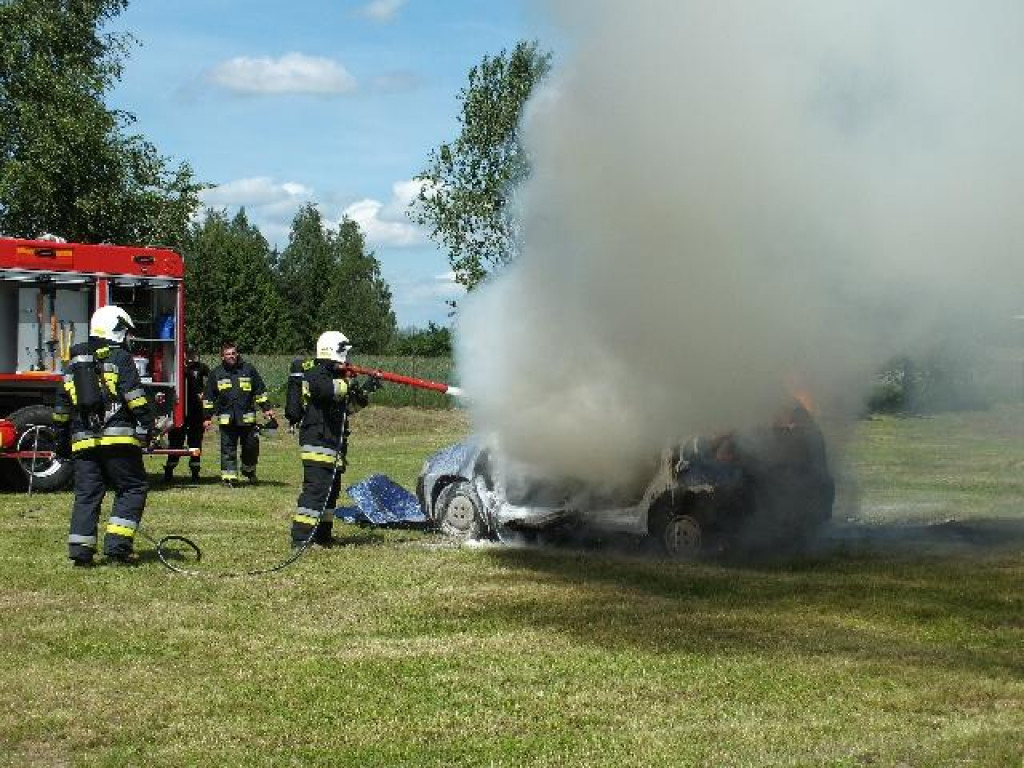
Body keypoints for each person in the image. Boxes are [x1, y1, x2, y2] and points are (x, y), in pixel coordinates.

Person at [54, 305, 155, 567]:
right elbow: (134, 397)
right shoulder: (120, 358)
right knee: (132, 488)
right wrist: (148, 424)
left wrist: (61, 444)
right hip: (118, 439)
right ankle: (117, 549)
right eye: (126, 331)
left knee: (87, 495)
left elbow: (61, 410)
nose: (129, 337)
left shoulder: (73, 364)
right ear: (116, 330)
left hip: (83, 441)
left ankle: (80, 552)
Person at [290, 330, 380, 548]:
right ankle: (301, 538)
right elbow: (324, 390)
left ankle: (323, 536)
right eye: (344, 353)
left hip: (334, 443)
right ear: (332, 350)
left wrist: (365, 390)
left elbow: (347, 409)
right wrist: (348, 383)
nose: (347, 359)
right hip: (318, 442)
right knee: (316, 491)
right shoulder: (316, 373)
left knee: (331, 493)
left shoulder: (335, 378)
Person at [202, 341, 276, 486]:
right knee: (227, 448)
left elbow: (259, 391)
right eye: (228, 354)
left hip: (247, 418)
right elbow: (209, 397)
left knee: (251, 447)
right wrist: (207, 417)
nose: (231, 356)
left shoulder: (248, 370)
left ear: (237, 354)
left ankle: (249, 470)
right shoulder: (216, 373)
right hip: (227, 419)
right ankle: (229, 478)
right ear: (222, 357)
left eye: (233, 353)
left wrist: (266, 408)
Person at [163, 345, 209, 482]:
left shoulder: (201, 368)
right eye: (187, 353)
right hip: (179, 411)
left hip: (196, 412)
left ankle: (195, 472)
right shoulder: (176, 368)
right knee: (175, 442)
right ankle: (169, 471)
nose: (190, 356)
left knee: (195, 442)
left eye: (193, 353)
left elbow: (212, 382)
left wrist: (205, 393)